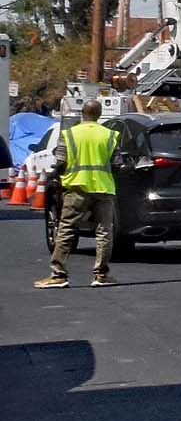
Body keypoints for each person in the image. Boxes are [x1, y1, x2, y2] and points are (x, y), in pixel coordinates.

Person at [39, 98, 118, 289]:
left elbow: (60, 161)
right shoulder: (109, 135)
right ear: (99, 115)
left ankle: (58, 275)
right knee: (104, 232)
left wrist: (57, 180)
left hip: (76, 188)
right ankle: (100, 275)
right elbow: (117, 163)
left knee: (66, 229)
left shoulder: (69, 134)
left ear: (82, 114)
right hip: (103, 189)